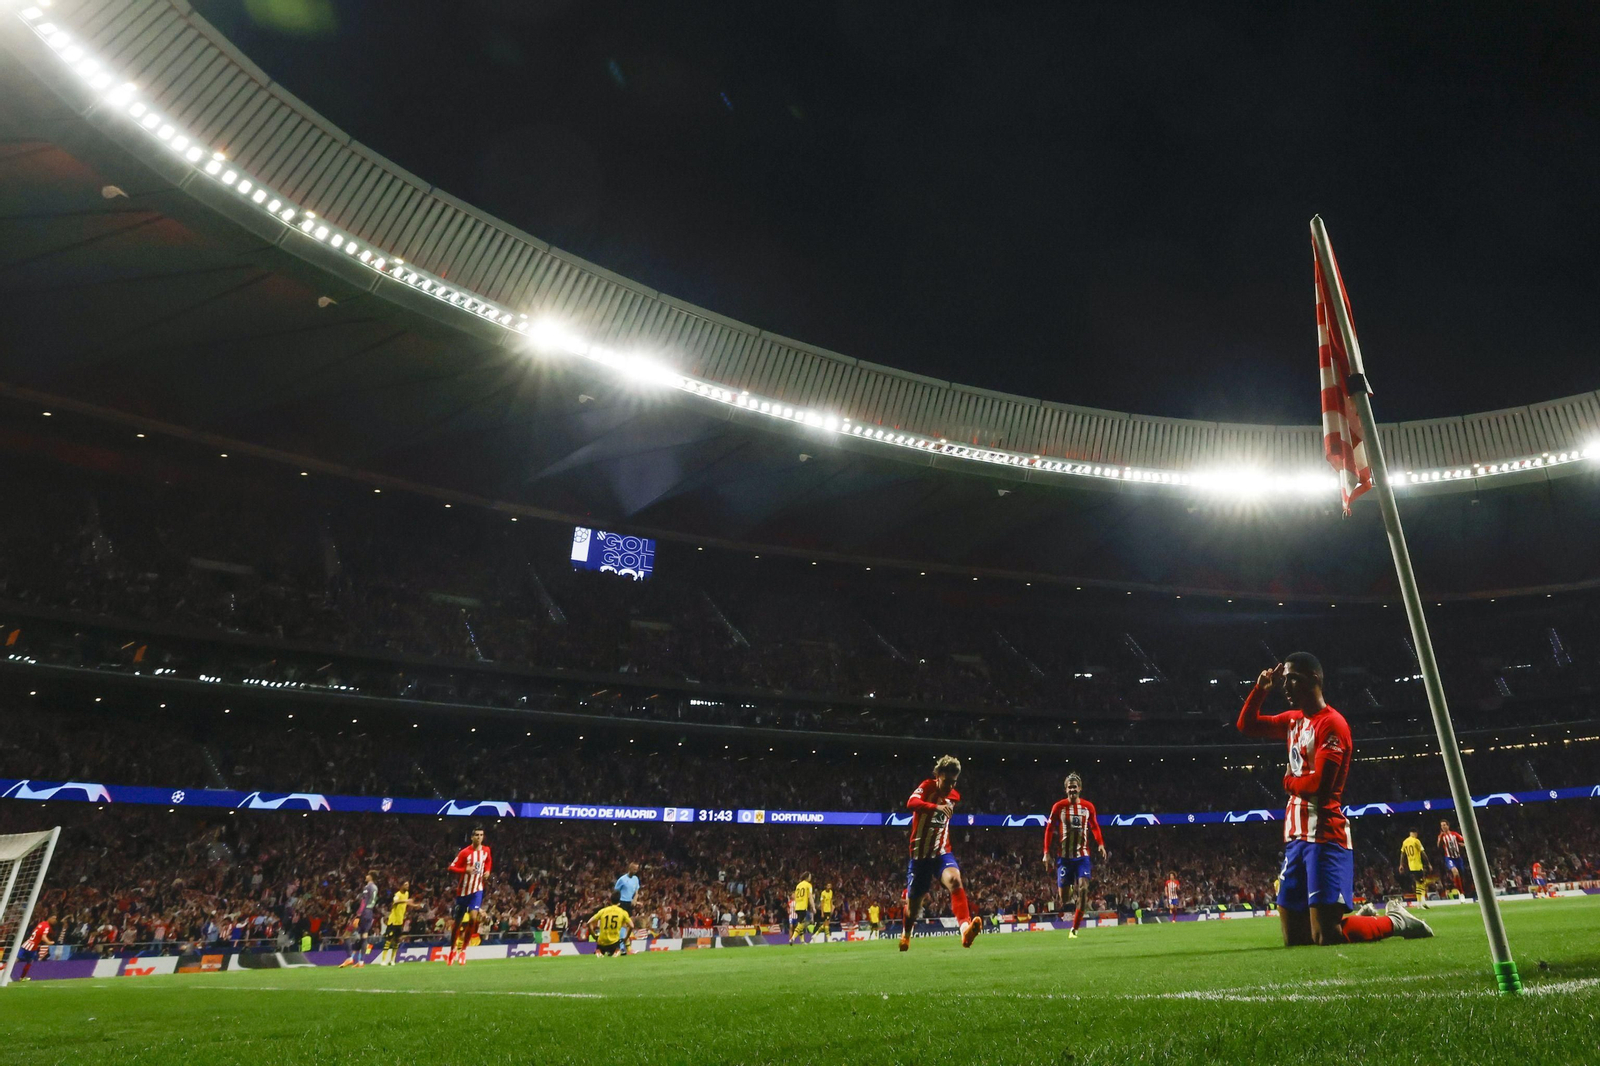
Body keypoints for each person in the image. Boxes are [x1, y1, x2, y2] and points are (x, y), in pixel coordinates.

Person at [1237, 655, 1432, 946]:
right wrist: (1260, 689)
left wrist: (1288, 781)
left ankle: (1395, 921)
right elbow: (1246, 725)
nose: (1286, 686)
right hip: (1295, 837)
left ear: (1314, 679)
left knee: (1326, 935)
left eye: (1293, 679)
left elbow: (1322, 787)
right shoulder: (1293, 721)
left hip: (1325, 837)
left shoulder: (1333, 724)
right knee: (1296, 938)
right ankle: (1357, 917)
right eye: (1285, 679)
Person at [900, 754, 981, 951]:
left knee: (955, 880)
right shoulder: (927, 786)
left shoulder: (955, 797)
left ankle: (965, 930)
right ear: (938, 775)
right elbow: (911, 803)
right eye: (946, 781)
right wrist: (936, 807)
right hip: (920, 857)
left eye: (954, 782)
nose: (950, 787)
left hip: (941, 852)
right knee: (913, 909)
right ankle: (906, 935)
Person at [1043, 772, 1107, 939]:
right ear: (1066, 789)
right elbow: (1049, 829)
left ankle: (1075, 929)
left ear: (1080, 788)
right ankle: (1069, 887)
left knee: (1084, 889)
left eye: (1075, 786)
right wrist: (1045, 852)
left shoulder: (1088, 807)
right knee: (1065, 899)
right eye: (1069, 787)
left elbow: (1095, 826)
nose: (1072, 789)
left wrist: (1100, 844)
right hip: (1064, 857)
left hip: (1082, 856)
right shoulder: (1059, 807)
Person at [447, 826, 493, 966]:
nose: (479, 837)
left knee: (473, 918)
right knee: (457, 924)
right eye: (477, 835)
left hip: (477, 890)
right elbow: (451, 867)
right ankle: (452, 951)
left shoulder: (486, 850)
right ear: (472, 837)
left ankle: (463, 951)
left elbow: (489, 861)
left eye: (481, 835)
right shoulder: (464, 853)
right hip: (463, 892)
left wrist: (488, 871)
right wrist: (464, 870)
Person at [588, 892, 633, 957]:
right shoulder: (622, 912)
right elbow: (632, 926)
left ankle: (599, 951)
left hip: (602, 942)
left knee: (600, 952)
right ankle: (617, 951)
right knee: (617, 950)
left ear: (610, 901)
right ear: (619, 901)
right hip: (614, 942)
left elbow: (589, 922)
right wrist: (626, 938)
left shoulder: (603, 911)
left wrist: (594, 936)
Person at [377, 879, 411, 966]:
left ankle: (392, 960)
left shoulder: (407, 894)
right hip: (393, 921)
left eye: (408, 885)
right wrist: (405, 901)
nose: (407, 886)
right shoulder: (397, 894)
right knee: (388, 941)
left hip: (400, 921)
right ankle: (383, 960)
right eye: (406, 884)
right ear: (401, 886)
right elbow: (395, 902)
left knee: (397, 941)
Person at [14, 913, 55, 981]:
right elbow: (43, 937)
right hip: (32, 947)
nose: (54, 920)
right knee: (28, 962)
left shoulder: (42, 923)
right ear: (49, 918)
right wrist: (49, 942)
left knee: (16, 960)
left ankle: (21, 977)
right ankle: (22, 978)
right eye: (53, 918)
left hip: (27, 943)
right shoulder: (46, 927)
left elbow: (36, 932)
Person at [1437, 820, 1468, 897]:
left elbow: (1464, 841)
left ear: (1448, 826)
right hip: (1449, 858)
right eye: (1441, 825)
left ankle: (1461, 890)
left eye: (1444, 825)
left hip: (1458, 858)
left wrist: (1463, 845)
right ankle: (1461, 894)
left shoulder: (1454, 834)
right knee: (1455, 872)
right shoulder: (1442, 836)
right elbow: (1439, 846)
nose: (1443, 827)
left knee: (1461, 875)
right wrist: (1440, 837)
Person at [1399, 831, 1431, 905]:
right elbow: (1423, 853)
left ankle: (1420, 903)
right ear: (1415, 833)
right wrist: (1428, 863)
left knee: (1417, 883)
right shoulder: (1416, 841)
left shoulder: (1405, 842)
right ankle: (1422, 901)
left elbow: (1402, 854)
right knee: (1421, 883)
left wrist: (1401, 864)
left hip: (1411, 866)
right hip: (1417, 865)